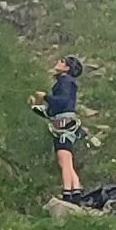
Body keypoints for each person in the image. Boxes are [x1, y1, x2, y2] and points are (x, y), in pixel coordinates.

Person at [36, 55, 85, 196]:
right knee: (67, 158)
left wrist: (45, 97)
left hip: (62, 124)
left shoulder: (64, 81)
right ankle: (74, 188)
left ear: (67, 68)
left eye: (62, 61)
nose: (58, 62)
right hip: (68, 122)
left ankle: (68, 191)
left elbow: (61, 102)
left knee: (63, 159)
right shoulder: (69, 83)